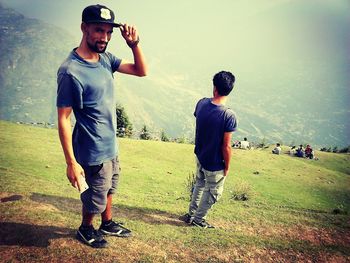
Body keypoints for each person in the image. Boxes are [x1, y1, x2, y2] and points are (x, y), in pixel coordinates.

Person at [56, 4, 147, 248]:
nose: (104, 38)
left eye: (108, 32)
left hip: (110, 145)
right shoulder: (70, 71)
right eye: (98, 30)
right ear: (84, 28)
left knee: (109, 188)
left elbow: (141, 71)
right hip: (92, 148)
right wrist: (71, 162)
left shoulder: (105, 59)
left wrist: (134, 44)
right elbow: (63, 119)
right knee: (95, 194)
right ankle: (86, 228)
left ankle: (107, 223)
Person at [179, 71, 237, 228]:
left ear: (214, 87)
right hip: (215, 162)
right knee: (213, 192)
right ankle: (198, 220)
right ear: (230, 89)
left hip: (200, 155)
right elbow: (226, 145)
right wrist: (227, 166)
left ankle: (191, 214)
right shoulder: (228, 115)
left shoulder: (201, 103)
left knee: (200, 184)